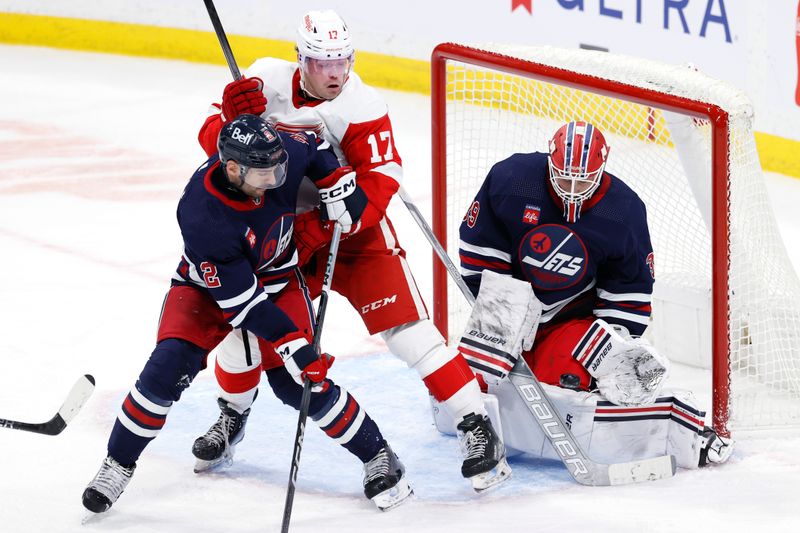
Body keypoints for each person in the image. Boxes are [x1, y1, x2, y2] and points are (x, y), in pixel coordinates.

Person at [193, 9, 509, 492]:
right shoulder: (263, 79)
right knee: (246, 331)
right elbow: (213, 147)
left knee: (408, 332)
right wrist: (228, 122)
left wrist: (351, 211)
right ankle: (232, 416)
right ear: (301, 59)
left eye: (342, 60)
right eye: (323, 62)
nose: (336, 72)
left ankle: (476, 425)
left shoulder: (362, 104)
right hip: (282, 239)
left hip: (353, 238)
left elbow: (382, 179)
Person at [81, 115, 412, 514]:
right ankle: (117, 464)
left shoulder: (278, 153)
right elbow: (247, 307)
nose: (276, 179)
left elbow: (314, 143)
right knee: (165, 371)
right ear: (233, 168)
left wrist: (335, 182)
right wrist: (297, 346)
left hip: (279, 279)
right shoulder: (202, 215)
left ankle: (379, 454)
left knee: (298, 384)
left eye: (279, 169)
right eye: (265, 173)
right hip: (208, 290)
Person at [432, 120, 734, 471]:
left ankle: (678, 425)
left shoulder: (623, 210)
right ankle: (480, 417)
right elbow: (478, 248)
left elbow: (629, 290)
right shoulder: (512, 179)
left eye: (583, 181)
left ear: (602, 169)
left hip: (571, 319)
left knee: (575, 381)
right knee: (471, 378)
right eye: (564, 178)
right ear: (550, 161)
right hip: (508, 304)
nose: (572, 190)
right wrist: (506, 303)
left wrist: (614, 344)